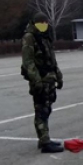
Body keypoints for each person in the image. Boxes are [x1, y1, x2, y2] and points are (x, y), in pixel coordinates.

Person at [21, 12, 64, 153]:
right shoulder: (29, 37)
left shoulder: (45, 37)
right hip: (40, 79)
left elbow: (52, 59)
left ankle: (44, 138)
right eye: (41, 23)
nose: (44, 25)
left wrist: (58, 75)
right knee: (41, 110)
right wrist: (36, 80)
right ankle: (45, 142)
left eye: (46, 23)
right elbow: (28, 62)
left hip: (49, 78)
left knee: (47, 108)